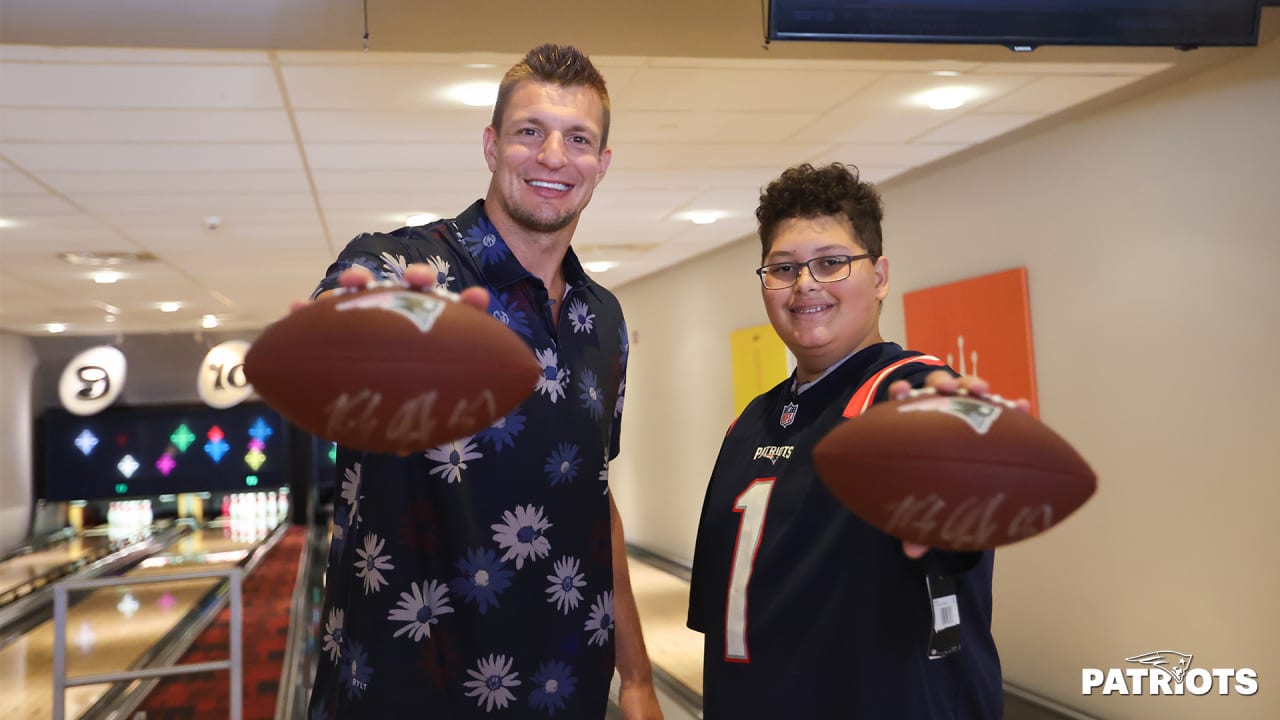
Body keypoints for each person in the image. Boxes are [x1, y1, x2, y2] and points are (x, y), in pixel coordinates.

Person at [306, 44, 662, 719]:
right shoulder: (400, 263)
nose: (554, 156)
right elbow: (338, 335)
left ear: (601, 164)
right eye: (530, 131)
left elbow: (596, 496)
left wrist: (637, 679)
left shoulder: (604, 319)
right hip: (400, 694)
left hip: (568, 695)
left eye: (578, 138)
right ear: (492, 146)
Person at [687, 163, 1007, 718]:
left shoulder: (908, 394)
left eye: (832, 263)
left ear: (880, 276)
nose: (805, 283)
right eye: (783, 268)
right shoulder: (751, 424)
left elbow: (957, 504)